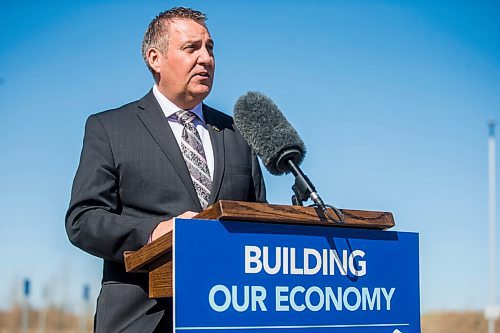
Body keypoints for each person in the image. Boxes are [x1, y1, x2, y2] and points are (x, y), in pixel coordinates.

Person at [65, 7, 266, 332]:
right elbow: (82, 220)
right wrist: (152, 233)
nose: (206, 59)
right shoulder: (110, 128)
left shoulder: (238, 133)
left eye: (210, 48)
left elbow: (257, 221)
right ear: (155, 59)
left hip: (225, 317)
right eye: (191, 48)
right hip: (141, 318)